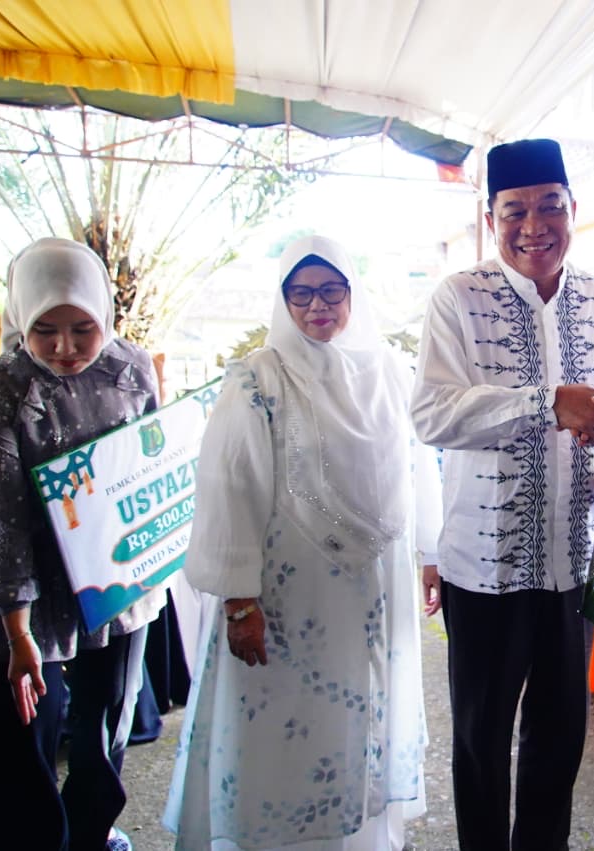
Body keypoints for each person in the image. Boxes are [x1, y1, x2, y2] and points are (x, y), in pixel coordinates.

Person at [164, 235, 436, 850]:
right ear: (283, 301)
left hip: (372, 586)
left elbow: (419, 462)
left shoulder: (389, 369)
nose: (319, 306)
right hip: (288, 597)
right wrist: (239, 600)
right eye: (302, 293)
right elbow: (228, 485)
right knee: (290, 727)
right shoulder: (259, 379)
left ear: (352, 293)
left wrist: (432, 550)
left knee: (359, 714)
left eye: (332, 290)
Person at [410, 138, 594, 851]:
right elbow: (432, 413)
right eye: (515, 210)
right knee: (482, 742)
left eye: (550, 207)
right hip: (485, 570)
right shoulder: (458, 298)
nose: (533, 225)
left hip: (575, 569)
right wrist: (547, 404)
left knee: (559, 741)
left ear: (576, 210)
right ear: (491, 218)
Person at [0, 237, 162, 851]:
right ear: (21, 317)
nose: (65, 348)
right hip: (20, 582)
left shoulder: (133, 367)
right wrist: (18, 636)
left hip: (114, 575)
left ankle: (91, 834)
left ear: (104, 315)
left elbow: (152, 465)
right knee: (20, 733)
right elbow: (2, 518)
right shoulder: (0, 386)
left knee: (105, 724)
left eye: (82, 328)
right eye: (45, 329)